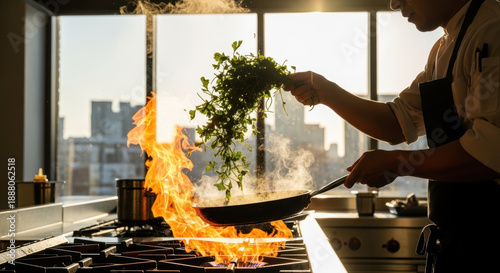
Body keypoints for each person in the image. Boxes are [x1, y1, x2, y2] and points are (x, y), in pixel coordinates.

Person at [284, 0, 500, 272]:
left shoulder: (493, 28)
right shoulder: (441, 50)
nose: (394, 3)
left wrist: (397, 163)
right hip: (456, 245)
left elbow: (490, 153)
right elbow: (396, 123)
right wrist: (327, 92)